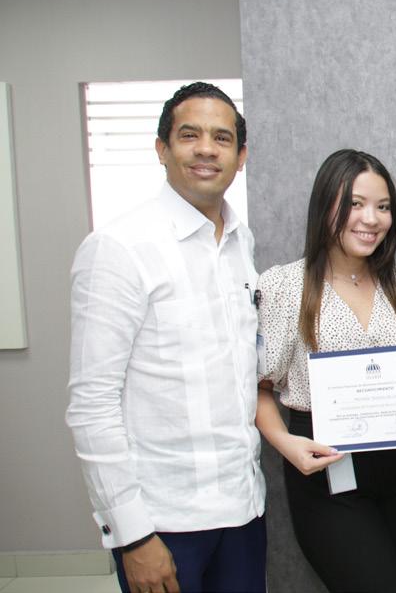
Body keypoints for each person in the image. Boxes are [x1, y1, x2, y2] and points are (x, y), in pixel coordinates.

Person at [67, 82, 265, 593]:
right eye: (189, 135)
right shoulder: (118, 248)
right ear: (162, 148)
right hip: (163, 523)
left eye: (222, 138)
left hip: (243, 509)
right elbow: (92, 404)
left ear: (241, 156)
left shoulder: (241, 243)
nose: (206, 149)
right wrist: (132, 535)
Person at [255, 149, 396, 592]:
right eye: (355, 203)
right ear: (325, 204)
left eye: (383, 207)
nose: (371, 219)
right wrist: (285, 443)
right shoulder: (284, 286)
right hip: (325, 468)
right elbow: (258, 386)